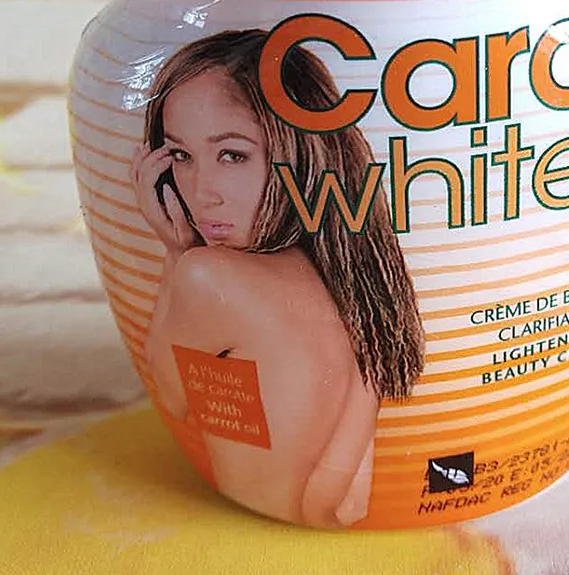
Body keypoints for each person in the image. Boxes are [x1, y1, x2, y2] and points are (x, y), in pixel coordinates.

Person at [131, 29, 424, 528]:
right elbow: (342, 503)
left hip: (241, 533)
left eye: (232, 155)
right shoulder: (359, 293)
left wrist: (176, 252)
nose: (201, 192)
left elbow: (175, 397)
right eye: (180, 156)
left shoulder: (206, 276)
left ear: (299, 153)